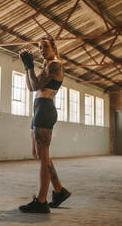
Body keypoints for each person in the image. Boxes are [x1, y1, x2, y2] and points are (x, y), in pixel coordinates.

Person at [18, 37, 71, 213]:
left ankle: (41, 201)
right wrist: (27, 67)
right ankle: (59, 191)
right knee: (40, 155)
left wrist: (29, 66)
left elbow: (35, 85)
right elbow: (31, 86)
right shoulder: (47, 66)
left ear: (54, 47)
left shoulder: (55, 64)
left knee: (43, 155)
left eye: (45, 46)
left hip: (45, 110)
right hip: (39, 109)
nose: (41, 50)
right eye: (39, 47)